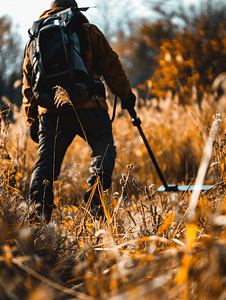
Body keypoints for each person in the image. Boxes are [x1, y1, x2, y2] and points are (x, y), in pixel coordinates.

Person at [22, 0, 136, 222]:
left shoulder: (34, 39)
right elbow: (112, 67)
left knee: (46, 164)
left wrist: (32, 120)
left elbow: (28, 85)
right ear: (74, 8)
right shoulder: (87, 30)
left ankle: (37, 218)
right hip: (90, 107)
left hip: (51, 112)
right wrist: (126, 97)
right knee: (103, 153)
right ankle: (95, 204)